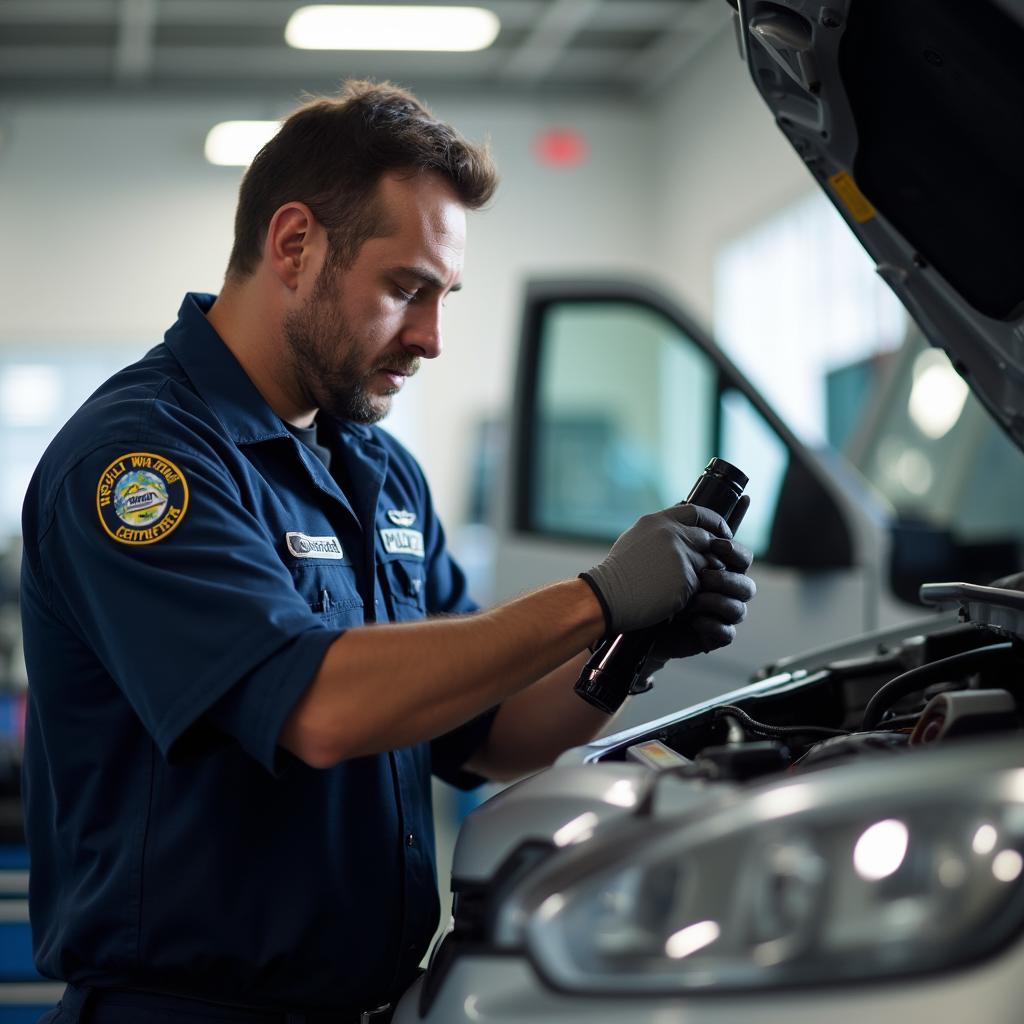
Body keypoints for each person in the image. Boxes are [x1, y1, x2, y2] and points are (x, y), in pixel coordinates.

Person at [19, 81, 755, 1023]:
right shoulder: (142, 462)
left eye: (442, 296)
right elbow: (319, 707)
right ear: (295, 246)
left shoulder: (380, 470)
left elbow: (488, 738)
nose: (431, 338)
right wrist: (598, 597)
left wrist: (628, 651)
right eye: (405, 288)